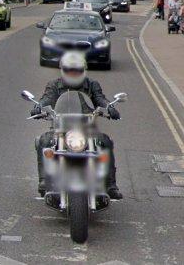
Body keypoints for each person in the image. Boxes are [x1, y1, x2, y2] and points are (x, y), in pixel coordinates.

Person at [31, 51, 122, 200]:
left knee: (106, 141)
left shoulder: (92, 85)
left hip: (87, 128)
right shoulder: (54, 85)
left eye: (77, 70)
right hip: (61, 129)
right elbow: (46, 99)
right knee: (44, 141)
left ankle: (111, 185)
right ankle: (45, 181)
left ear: (83, 70)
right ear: (63, 70)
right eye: (69, 70)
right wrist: (39, 107)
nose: (73, 73)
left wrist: (109, 108)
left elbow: (101, 99)